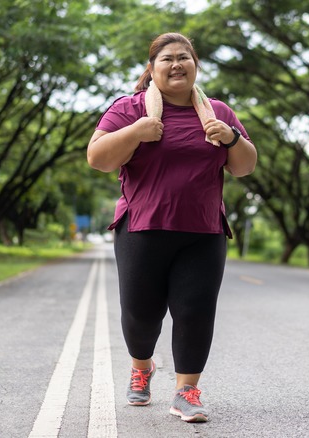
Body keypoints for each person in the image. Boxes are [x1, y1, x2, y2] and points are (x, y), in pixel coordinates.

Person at [86, 32, 257, 423]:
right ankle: (141, 368)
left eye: (184, 57)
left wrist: (231, 138)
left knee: (195, 310)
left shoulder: (217, 112)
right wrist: (136, 132)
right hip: (142, 230)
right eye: (167, 59)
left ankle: (186, 391)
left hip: (203, 232)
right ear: (152, 69)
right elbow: (97, 158)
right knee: (141, 315)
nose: (177, 64)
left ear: (195, 65)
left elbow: (245, 165)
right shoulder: (129, 109)